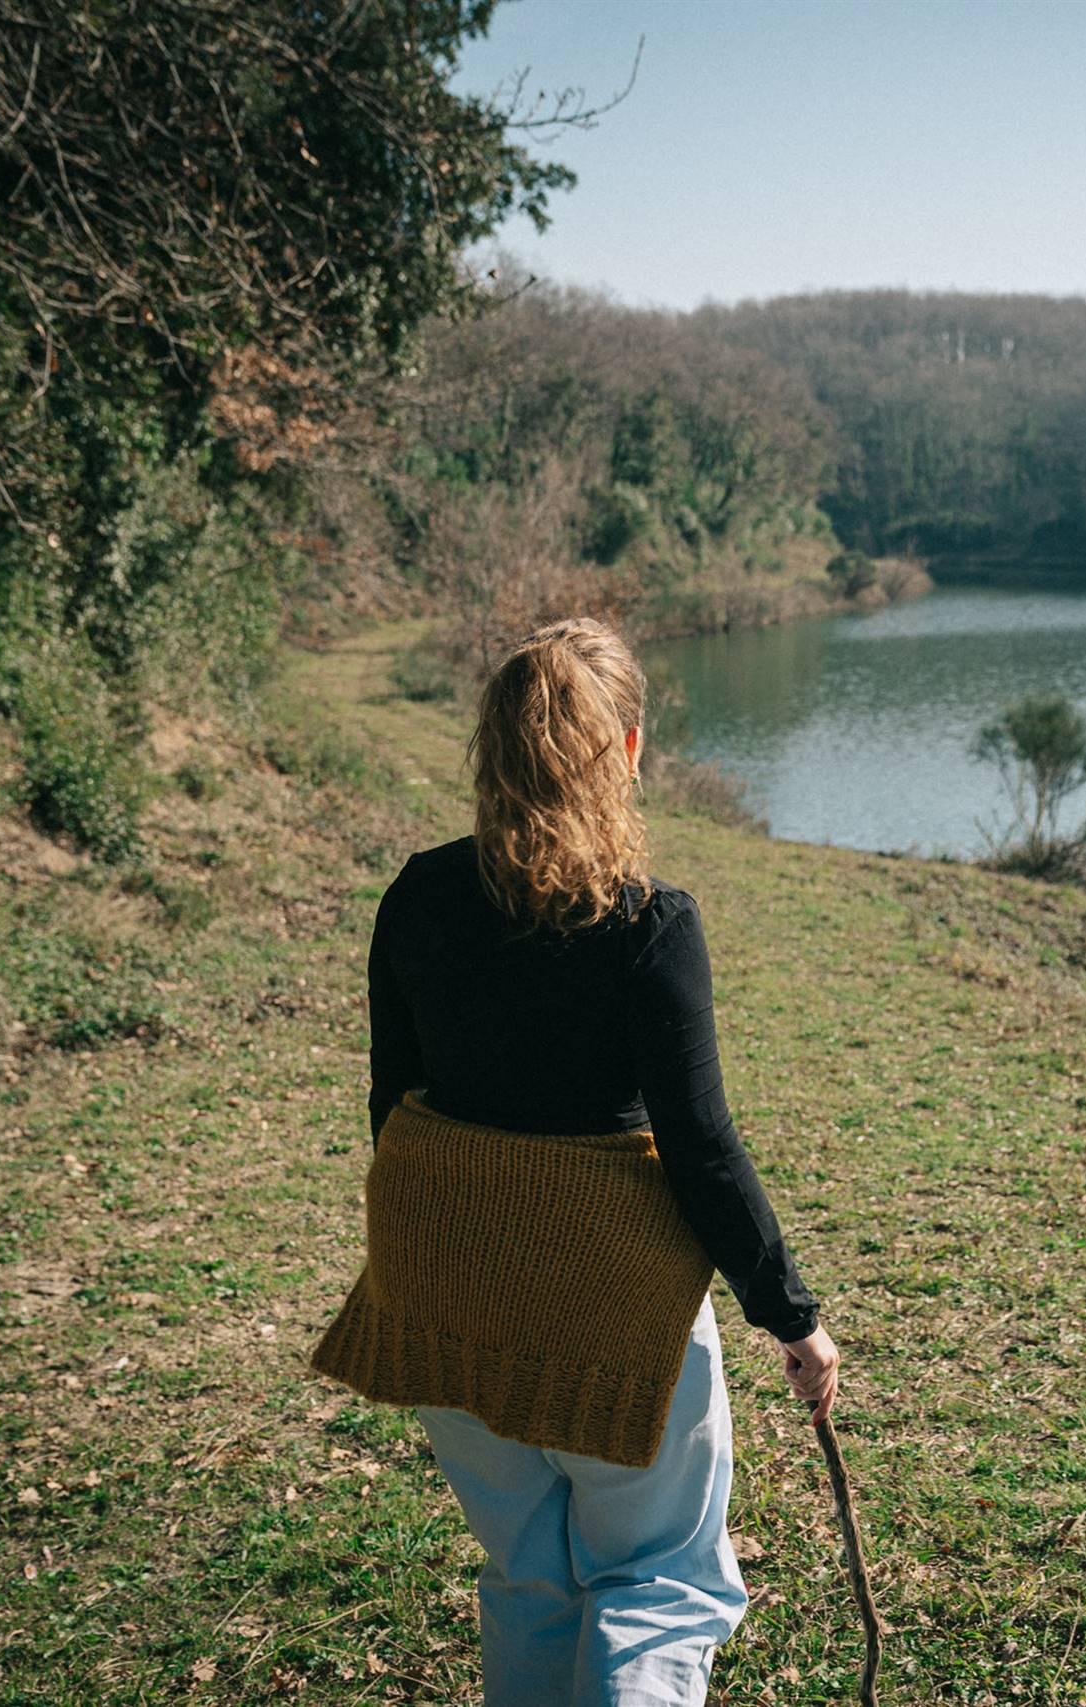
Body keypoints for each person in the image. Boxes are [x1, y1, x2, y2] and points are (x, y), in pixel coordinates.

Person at [310, 617, 839, 1706]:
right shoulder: (649, 924)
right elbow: (700, 1148)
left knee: (528, 1577)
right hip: (611, 1304)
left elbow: (391, 1109)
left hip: (446, 1282)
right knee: (656, 1585)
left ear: (489, 751)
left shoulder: (417, 892)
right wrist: (790, 1315)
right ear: (630, 752)